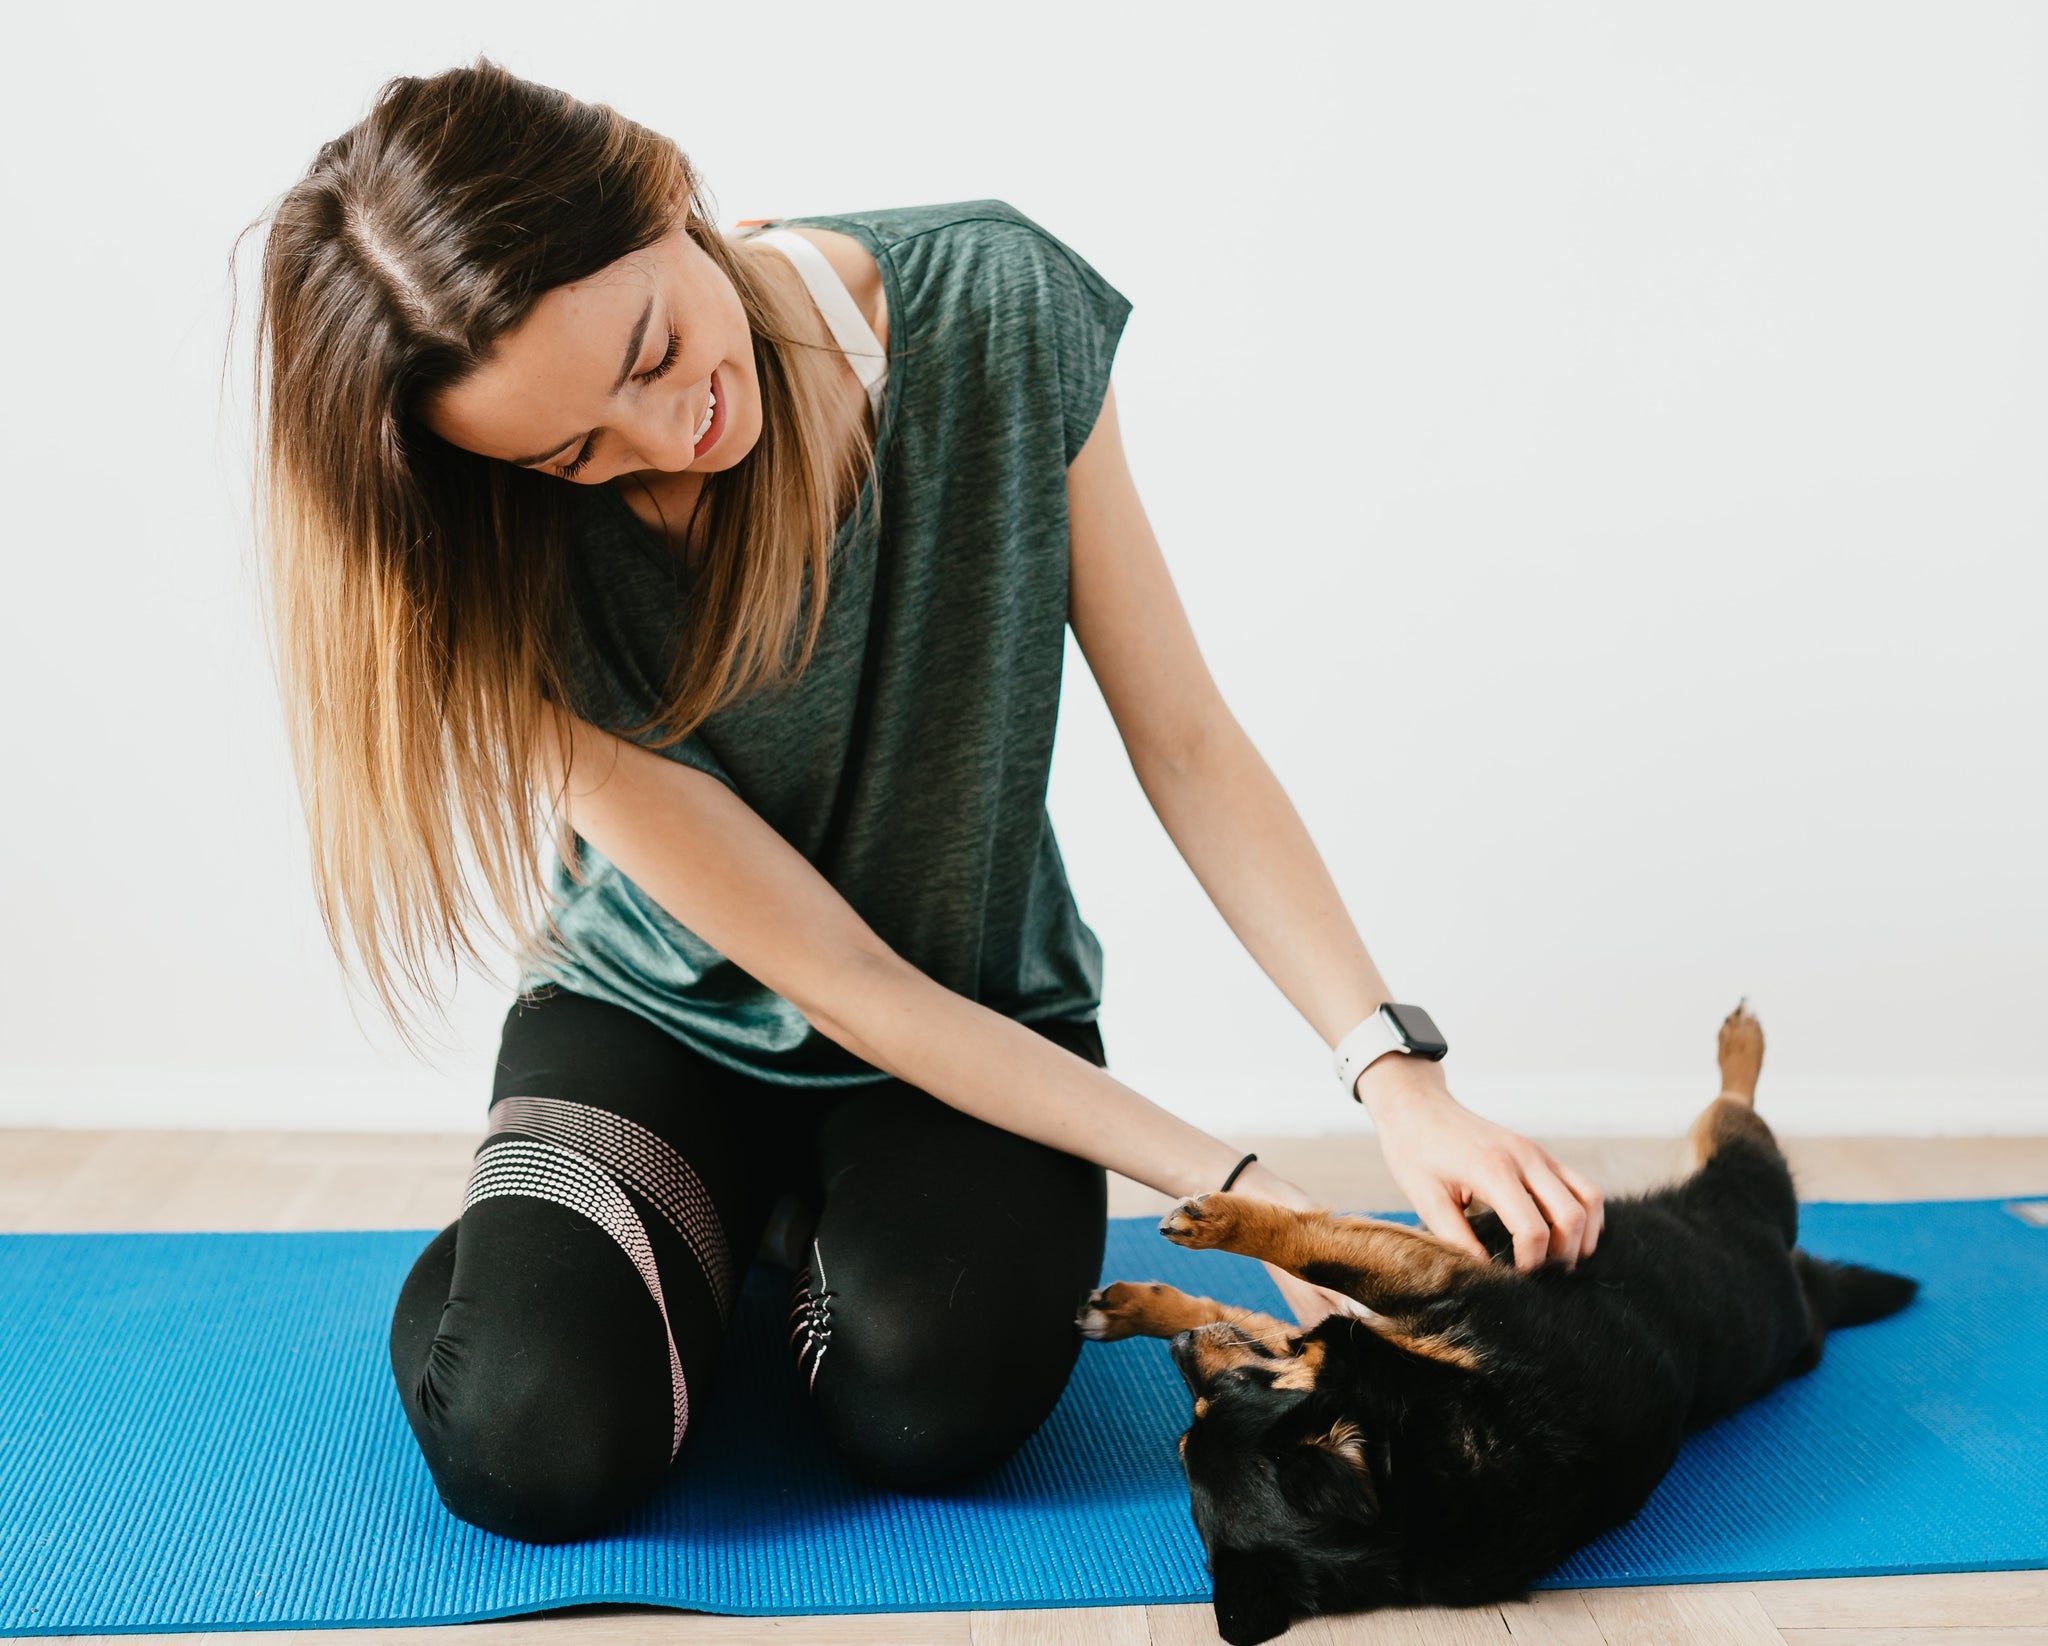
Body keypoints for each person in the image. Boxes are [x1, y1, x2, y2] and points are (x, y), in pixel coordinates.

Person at [248, 58, 1604, 1544]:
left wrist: (1392, 1081)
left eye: (651, 348)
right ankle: (586, 1235)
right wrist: (1266, 1200)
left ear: (661, 183)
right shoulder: (488, 563)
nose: (663, 435)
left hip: (972, 1017)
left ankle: (709, 1242)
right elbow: (839, 975)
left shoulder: (996, 311)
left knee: (928, 1406)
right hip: (664, 1022)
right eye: (571, 451)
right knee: (534, 1441)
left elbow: (1192, 741)